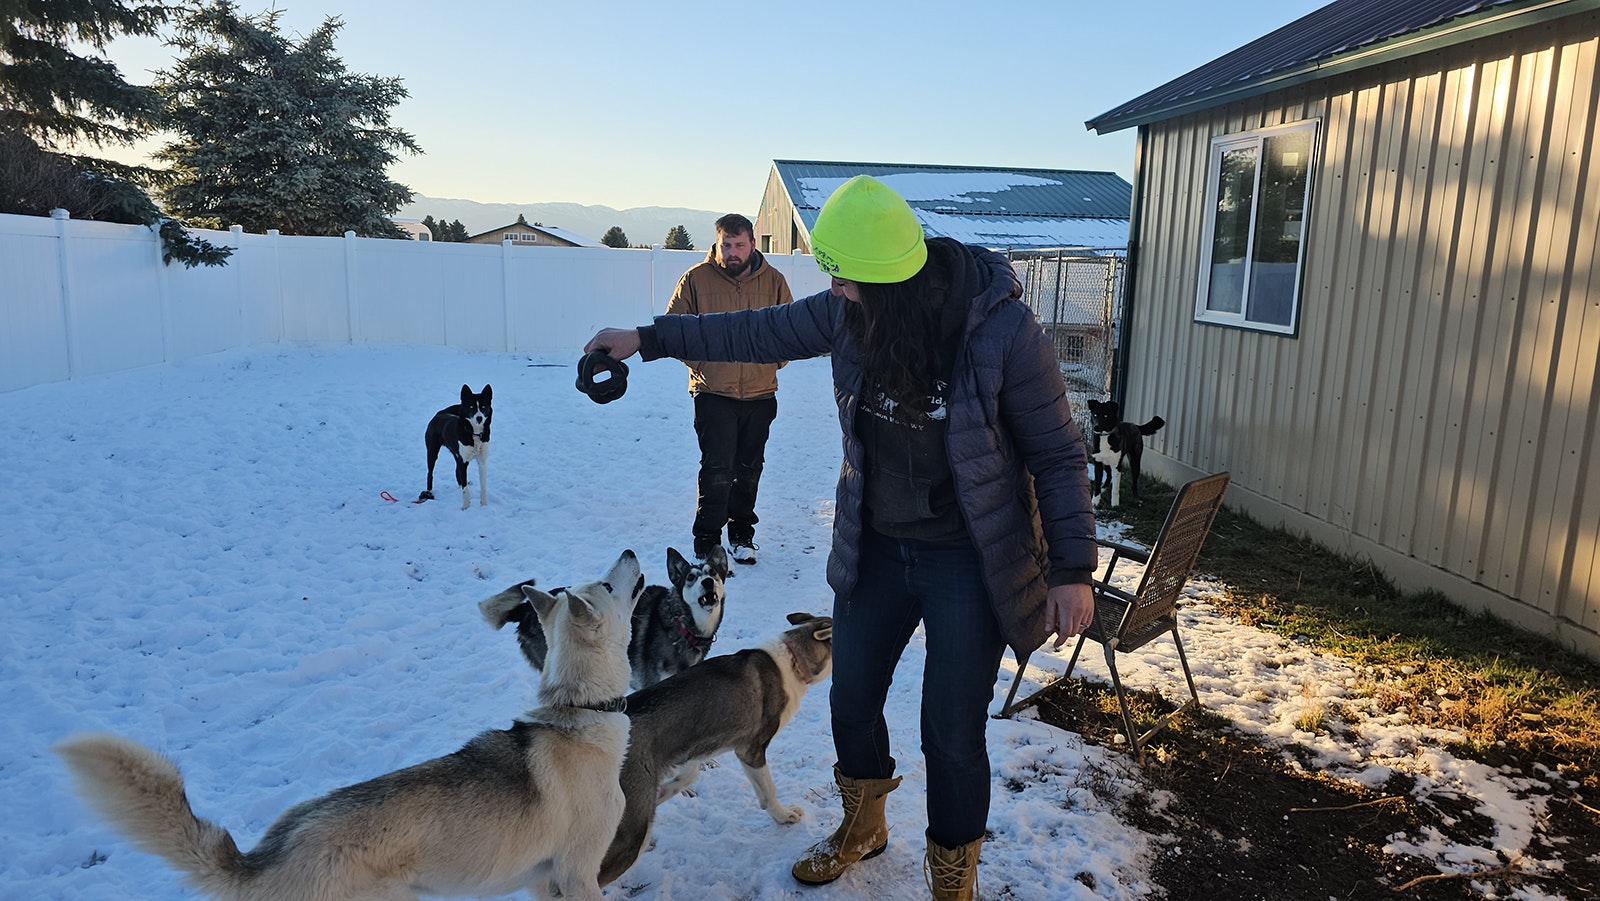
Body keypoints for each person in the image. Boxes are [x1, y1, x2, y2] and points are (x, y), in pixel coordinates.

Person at [585, 176, 1095, 900]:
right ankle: (865, 826)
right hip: (879, 543)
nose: (833, 287)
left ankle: (954, 880)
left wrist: (1073, 567)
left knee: (950, 732)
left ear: (890, 281)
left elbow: (1056, 451)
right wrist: (647, 338)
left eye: (843, 277)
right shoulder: (851, 313)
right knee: (850, 701)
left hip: (967, 555)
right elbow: (755, 330)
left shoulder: (1001, 331)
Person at [666, 213, 794, 563]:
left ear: (753, 243)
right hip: (713, 394)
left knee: (749, 468)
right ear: (717, 244)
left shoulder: (775, 281)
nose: (733, 252)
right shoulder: (695, 280)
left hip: (760, 394)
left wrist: (770, 365)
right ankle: (707, 543)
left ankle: (741, 536)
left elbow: (791, 332)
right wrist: (705, 368)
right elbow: (674, 333)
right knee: (717, 468)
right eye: (727, 245)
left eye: (740, 245)